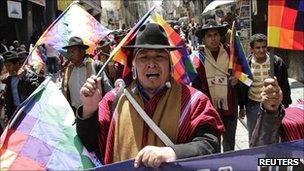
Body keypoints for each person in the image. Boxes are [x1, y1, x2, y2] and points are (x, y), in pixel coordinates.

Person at [76, 23, 225, 167]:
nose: (152, 63)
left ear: (169, 63)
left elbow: (209, 145)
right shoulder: (113, 101)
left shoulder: (194, 101)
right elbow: (90, 147)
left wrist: (172, 152)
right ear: (133, 63)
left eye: (159, 57)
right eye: (144, 57)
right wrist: (89, 110)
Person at [192, 19, 239, 152]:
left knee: (230, 143)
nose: (213, 39)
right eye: (209, 36)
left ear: (220, 36)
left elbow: (243, 75)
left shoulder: (231, 54)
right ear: (204, 39)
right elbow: (195, 87)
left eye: (215, 35)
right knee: (213, 144)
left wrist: (238, 79)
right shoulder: (198, 58)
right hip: (210, 109)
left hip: (230, 106)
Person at [239, 33, 292, 141]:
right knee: (254, 135)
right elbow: (242, 87)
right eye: (258, 47)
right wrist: (241, 106)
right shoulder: (246, 65)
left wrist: (286, 104)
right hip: (253, 104)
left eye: (264, 47)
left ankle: (271, 157)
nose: (261, 50)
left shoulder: (277, 62)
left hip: (273, 105)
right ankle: (255, 157)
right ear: (251, 49)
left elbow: (284, 85)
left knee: (273, 134)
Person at [61, 36, 113, 112]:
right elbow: (64, 90)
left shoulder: (95, 66)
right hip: (75, 112)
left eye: (73, 51)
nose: (70, 55)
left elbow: (108, 89)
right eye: (69, 52)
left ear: (82, 52)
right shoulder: (68, 70)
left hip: (94, 112)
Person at [2, 51, 44, 121]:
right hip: (15, 112)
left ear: (17, 64)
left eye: (9, 65)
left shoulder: (28, 74)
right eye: (6, 66)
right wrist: (7, 114)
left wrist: (24, 77)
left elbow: (36, 89)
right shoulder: (8, 79)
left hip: (28, 111)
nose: (7, 68)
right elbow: (8, 99)